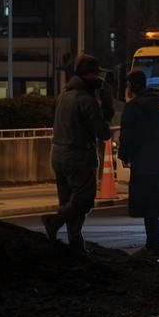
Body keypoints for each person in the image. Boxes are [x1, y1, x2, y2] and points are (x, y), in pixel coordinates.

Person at [42, 54, 115, 255]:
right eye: (96, 75)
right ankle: (55, 221)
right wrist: (107, 107)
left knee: (68, 201)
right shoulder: (85, 100)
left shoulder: (63, 96)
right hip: (79, 155)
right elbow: (103, 132)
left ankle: (75, 243)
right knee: (84, 198)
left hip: (57, 154)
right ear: (90, 76)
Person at [118, 68, 159, 261]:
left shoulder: (132, 109)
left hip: (142, 165)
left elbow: (128, 136)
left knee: (145, 208)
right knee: (153, 208)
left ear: (131, 87)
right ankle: (152, 246)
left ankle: (152, 248)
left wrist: (123, 155)